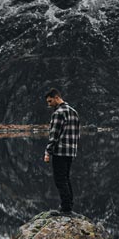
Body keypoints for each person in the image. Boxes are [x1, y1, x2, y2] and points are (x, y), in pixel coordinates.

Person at [43, 87, 80, 215]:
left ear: (57, 97)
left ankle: (65, 209)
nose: (49, 104)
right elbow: (76, 134)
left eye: (50, 101)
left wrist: (48, 152)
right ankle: (68, 206)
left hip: (60, 152)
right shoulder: (74, 112)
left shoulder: (58, 113)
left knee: (60, 180)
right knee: (66, 178)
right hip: (71, 152)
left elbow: (54, 136)